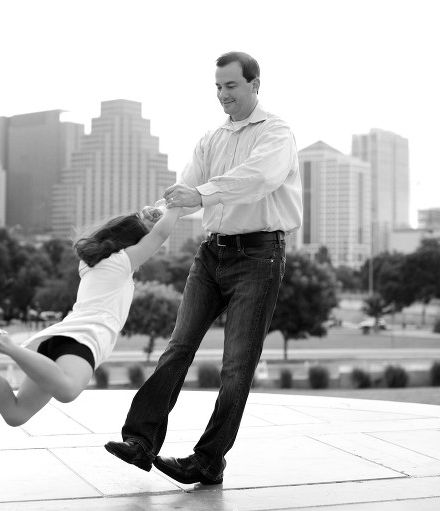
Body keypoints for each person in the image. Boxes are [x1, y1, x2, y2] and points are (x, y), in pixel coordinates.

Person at [105, 51, 302, 485]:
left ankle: (209, 460)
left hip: (259, 257)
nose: (222, 95)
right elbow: (186, 194)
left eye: (231, 86)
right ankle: (141, 442)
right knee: (177, 348)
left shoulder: (276, 132)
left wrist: (200, 195)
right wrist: (149, 221)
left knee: (236, 366)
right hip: (211, 254)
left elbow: (259, 178)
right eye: (217, 86)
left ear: (254, 85)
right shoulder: (210, 138)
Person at [0, 205, 183, 427]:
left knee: (15, 413)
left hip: (59, 339)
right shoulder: (120, 262)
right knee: (68, 391)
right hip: (85, 339)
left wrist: (158, 209)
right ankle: (1, 341)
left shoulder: (92, 264)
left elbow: (153, 229)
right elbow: (160, 234)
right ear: (132, 244)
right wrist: (177, 207)